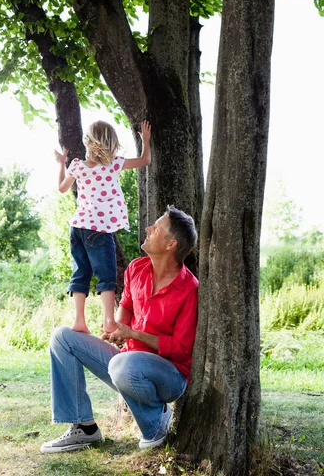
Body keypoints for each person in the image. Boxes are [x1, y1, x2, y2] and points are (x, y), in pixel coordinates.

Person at [40, 205, 198, 453]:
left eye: (156, 228)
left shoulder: (189, 289)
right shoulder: (136, 268)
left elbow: (180, 349)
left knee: (123, 365)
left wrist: (132, 334)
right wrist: (115, 327)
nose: (148, 229)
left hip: (168, 376)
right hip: (124, 365)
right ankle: (85, 428)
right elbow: (126, 306)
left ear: (171, 245)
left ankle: (156, 424)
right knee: (63, 338)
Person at [54, 120, 151, 334]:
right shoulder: (114, 164)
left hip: (78, 227)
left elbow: (62, 188)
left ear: (88, 142)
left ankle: (79, 320)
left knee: (80, 273)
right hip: (99, 229)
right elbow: (145, 160)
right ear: (111, 143)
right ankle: (108, 321)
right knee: (106, 275)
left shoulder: (77, 165)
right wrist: (145, 140)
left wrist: (62, 163)